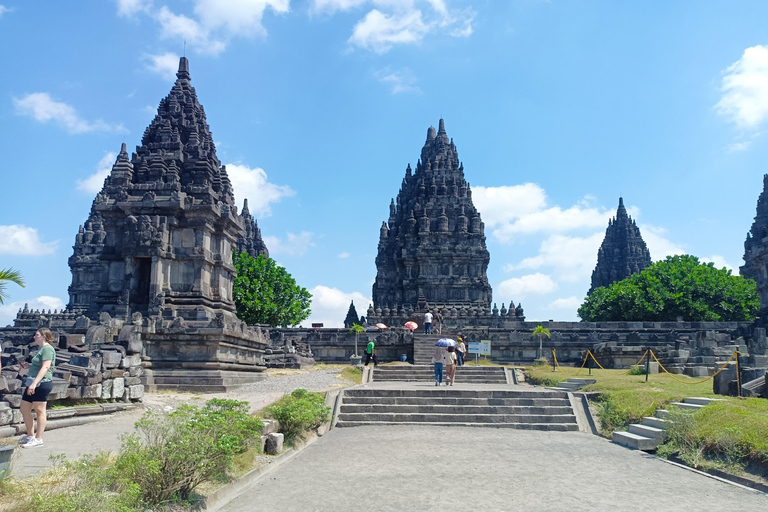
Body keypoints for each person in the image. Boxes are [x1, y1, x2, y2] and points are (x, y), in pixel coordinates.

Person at [19, 328, 56, 448]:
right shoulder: (41, 349)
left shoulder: (48, 349)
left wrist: (34, 384)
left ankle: (38, 439)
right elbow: (39, 366)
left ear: (44, 336)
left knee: (40, 411)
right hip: (33, 382)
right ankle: (30, 436)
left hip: (41, 383)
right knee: (24, 409)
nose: (34, 337)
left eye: (37, 335)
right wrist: (28, 366)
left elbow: (45, 367)